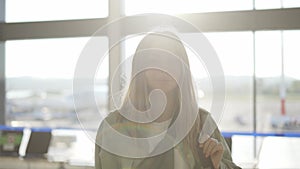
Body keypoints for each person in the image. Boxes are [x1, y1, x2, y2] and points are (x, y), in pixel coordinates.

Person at [95, 31, 241, 169]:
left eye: (171, 60)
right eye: (154, 60)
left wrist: (217, 165)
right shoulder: (112, 127)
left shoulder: (202, 123)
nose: (163, 68)